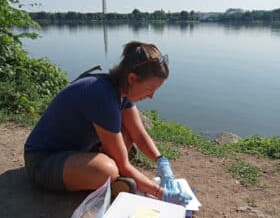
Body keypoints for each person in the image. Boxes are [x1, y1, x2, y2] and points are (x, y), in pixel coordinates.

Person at [24, 41, 191, 206]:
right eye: (149, 89)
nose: (151, 96)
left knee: (127, 134)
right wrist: (160, 194)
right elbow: (123, 165)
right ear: (132, 78)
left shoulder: (121, 90)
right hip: (42, 161)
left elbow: (139, 135)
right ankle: (111, 180)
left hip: (74, 151)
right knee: (107, 171)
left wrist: (161, 160)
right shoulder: (100, 95)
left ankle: (113, 179)